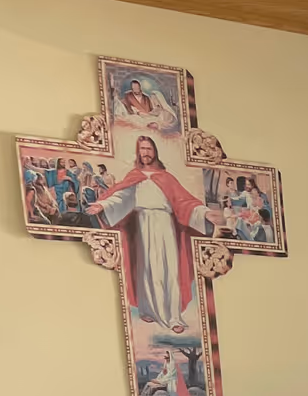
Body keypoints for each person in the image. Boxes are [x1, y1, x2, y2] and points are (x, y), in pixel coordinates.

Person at [86, 134, 215, 334]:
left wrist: (205, 213)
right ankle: (148, 309)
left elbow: (184, 201)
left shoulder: (166, 177)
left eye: (149, 148)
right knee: (146, 266)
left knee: (169, 267)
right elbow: (120, 197)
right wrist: (101, 205)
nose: (145, 152)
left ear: (155, 151)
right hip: (143, 223)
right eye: (142, 149)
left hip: (165, 224)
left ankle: (173, 317)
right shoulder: (134, 176)